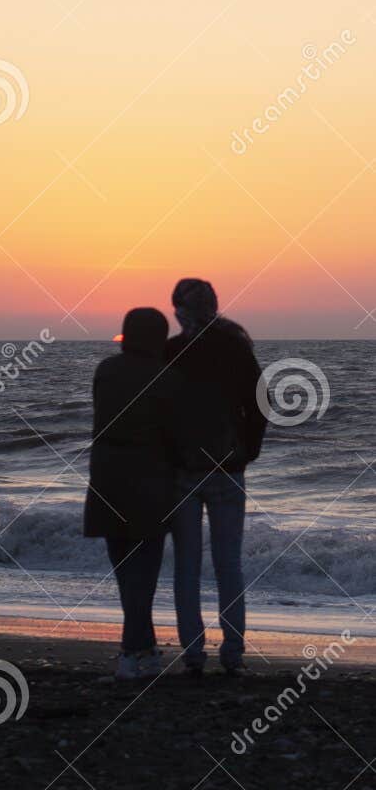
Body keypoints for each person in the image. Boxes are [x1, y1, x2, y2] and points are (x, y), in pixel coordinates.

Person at [166, 278, 267, 678]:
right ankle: (233, 654)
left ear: (178, 309)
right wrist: (249, 451)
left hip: (182, 471)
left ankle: (194, 656)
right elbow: (260, 404)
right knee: (229, 564)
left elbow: (158, 412)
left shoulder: (171, 352)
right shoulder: (235, 346)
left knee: (186, 566)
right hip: (228, 468)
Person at [83, 308, 187, 684]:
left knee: (125, 569)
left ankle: (143, 649)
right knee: (145, 569)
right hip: (151, 477)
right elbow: (176, 434)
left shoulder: (105, 371)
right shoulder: (169, 377)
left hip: (107, 473)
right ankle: (133, 652)